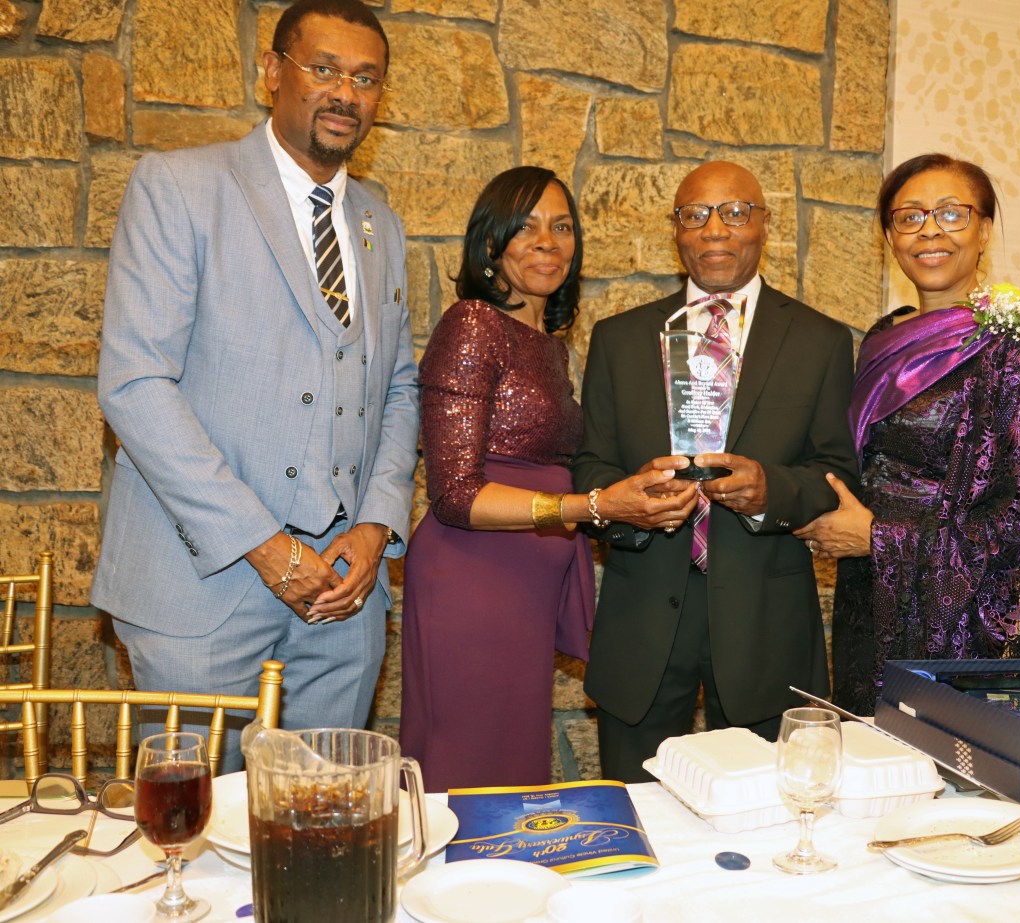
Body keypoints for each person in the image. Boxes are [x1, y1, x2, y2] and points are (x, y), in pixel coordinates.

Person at [91, 0, 418, 769]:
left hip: (343, 594)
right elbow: (136, 384)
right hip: (201, 586)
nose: (346, 92)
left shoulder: (382, 224)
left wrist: (375, 528)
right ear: (272, 72)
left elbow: (398, 388)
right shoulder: (179, 187)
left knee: (322, 829)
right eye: (325, 68)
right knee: (192, 845)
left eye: (365, 78)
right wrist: (266, 546)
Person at [400, 166, 694, 790]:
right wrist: (588, 507)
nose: (548, 241)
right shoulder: (473, 324)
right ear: (490, 245)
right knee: (471, 760)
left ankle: (502, 878)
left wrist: (627, 486)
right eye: (526, 226)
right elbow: (454, 493)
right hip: (473, 573)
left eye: (562, 227)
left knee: (512, 757)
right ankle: (464, 883)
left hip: (527, 578)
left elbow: (554, 459)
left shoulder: (548, 343)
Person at [572, 161, 860, 782]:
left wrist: (770, 490)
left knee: (767, 820)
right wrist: (626, 505)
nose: (715, 231)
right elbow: (590, 466)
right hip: (644, 610)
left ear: (763, 226)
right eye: (695, 215)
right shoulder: (620, 340)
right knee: (638, 817)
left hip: (765, 618)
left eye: (734, 213)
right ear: (676, 232)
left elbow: (837, 471)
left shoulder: (820, 341)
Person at [794, 153, 1020, 716]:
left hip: (958, 622)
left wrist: (879, 538)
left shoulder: (1016, 347)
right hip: (868, 598)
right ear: (890, 238)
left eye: (951, 213)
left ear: (985, 230)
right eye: (910, 216)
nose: (930, 231)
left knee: (954, 787)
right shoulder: (882, 336)